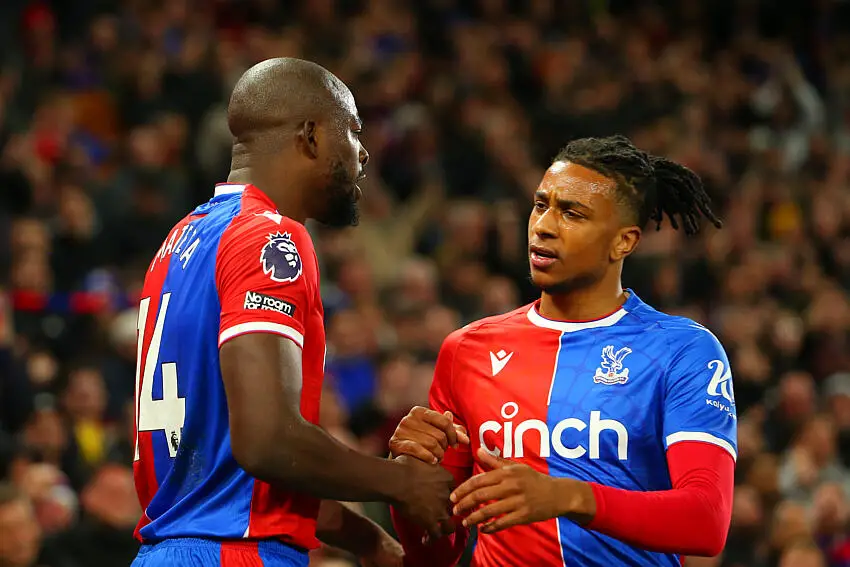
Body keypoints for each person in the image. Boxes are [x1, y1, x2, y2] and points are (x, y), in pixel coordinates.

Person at [130, 58, 454, 567]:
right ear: (311, 136)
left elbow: (243, 478)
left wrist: (371, 543)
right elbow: (267, 441)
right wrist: (402, 482)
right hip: (235, 554)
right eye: (352, 130)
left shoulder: (182, 240)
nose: (363, 151)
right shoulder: (271, 237)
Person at [389, 135, 737, 566]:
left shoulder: (682, 350)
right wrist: (408, 482)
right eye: (541, 205)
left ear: (623, 242)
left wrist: (566, 496)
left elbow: (707, 520)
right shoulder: (467, 350)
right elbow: (435, 554)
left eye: (572, 213)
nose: (544, 226)